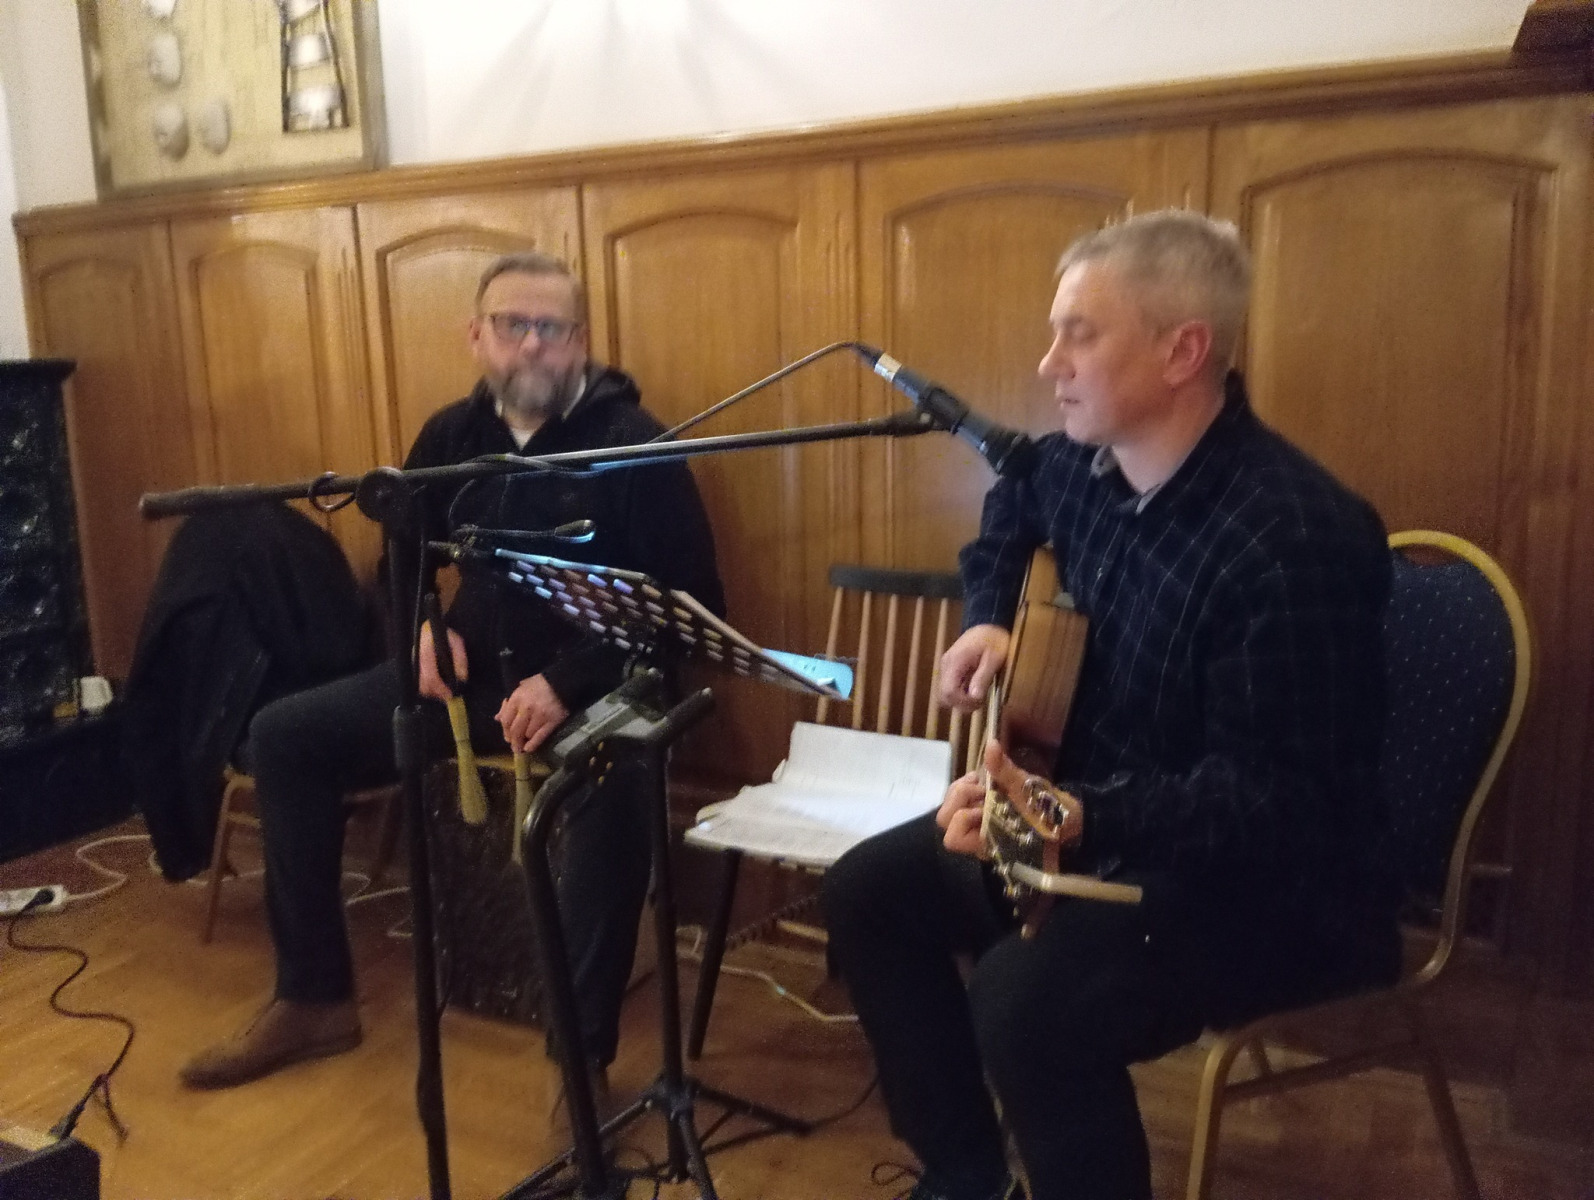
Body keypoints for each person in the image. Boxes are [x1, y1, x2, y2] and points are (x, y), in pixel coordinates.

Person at [821, 211, 1400, 1200]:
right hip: (1095, 825)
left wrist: (1082, 814)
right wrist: (989, 615)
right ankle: (967, 1176)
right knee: (865, 894)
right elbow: (1013, 499)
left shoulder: (1292, 539)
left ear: (1183, 351)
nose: (1048, 364)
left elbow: (1280, 802)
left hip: (1268, 892)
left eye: (1079, 335)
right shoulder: (1085, 467)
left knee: (1024, 1003)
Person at [180, 252, 725, 1093]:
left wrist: (568, 683)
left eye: (552, 328)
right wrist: (423, 632)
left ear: (580, 341)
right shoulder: (450, 436)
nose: (533, 344)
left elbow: (691, 607)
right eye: (513, 325)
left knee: (614, 782)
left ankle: (580, 1069)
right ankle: (314, 999)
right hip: (470, 685)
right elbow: (401, 557)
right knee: (284, 736)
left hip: (600, 690)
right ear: (477, 335)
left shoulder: (634, 444)